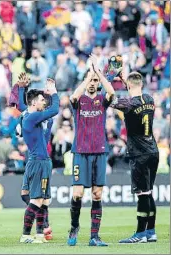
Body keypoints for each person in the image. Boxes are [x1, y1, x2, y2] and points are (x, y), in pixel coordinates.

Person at [67, 54, 116, 247]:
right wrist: (89, 75)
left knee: (97, 194)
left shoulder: (103, 100)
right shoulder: (79, 101)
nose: (93, 83)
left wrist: (99, 73)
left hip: (99, 152)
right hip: (80, 151)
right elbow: (72, 96)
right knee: (78, 193)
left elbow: (112, 93)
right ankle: (74, 227)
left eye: (96, 81)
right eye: (90, 79)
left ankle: (94, 236)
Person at [112, 72, 159, 243]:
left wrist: (108, 79)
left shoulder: (129, 104)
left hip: (139, 154)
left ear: (128, 86)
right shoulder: (149, 99)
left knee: (142, 194)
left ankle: (140, 234)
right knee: (149, 192)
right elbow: (134, 90)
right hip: (153, 151)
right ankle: (151, 232)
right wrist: (126, 80)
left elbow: (110, 99)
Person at [12, 72, 54, 240]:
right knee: (31, 196)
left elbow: (28, 106)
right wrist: (24, 88)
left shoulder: (44, 116)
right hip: (35, 159)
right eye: (41, 99)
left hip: (41, 157)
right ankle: (42, 226)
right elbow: (24, 105)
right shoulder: (35, 114)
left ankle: (40, 231)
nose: (43, 101)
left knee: (40, 199)